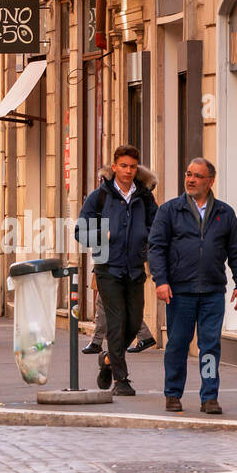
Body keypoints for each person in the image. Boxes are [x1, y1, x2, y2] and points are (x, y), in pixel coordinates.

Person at [148, 157, 237, 415]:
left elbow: (236, 251)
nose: (190, 180)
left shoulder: (224, 213)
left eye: (197, 176)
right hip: (179, 291)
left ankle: (209, 396)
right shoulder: (170, 211)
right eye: (188, 174)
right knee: (178, 344)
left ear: (210, 181)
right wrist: (161, 281)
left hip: (213, 291)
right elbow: (156, 248)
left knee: (210, 347)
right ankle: (172, 393)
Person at [73, 144, 158, 396]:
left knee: (133, 323)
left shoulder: (144, 197)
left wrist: (147, 238)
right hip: (107, 267)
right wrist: (103, 234)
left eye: (132, 166)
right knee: (116, 321)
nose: (128, 171)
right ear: (114, 167)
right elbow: (80, 231)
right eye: (123, 166)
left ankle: (108, 360)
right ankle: (122, 380)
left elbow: (157, 227)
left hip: (134, 268)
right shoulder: (98, 197)